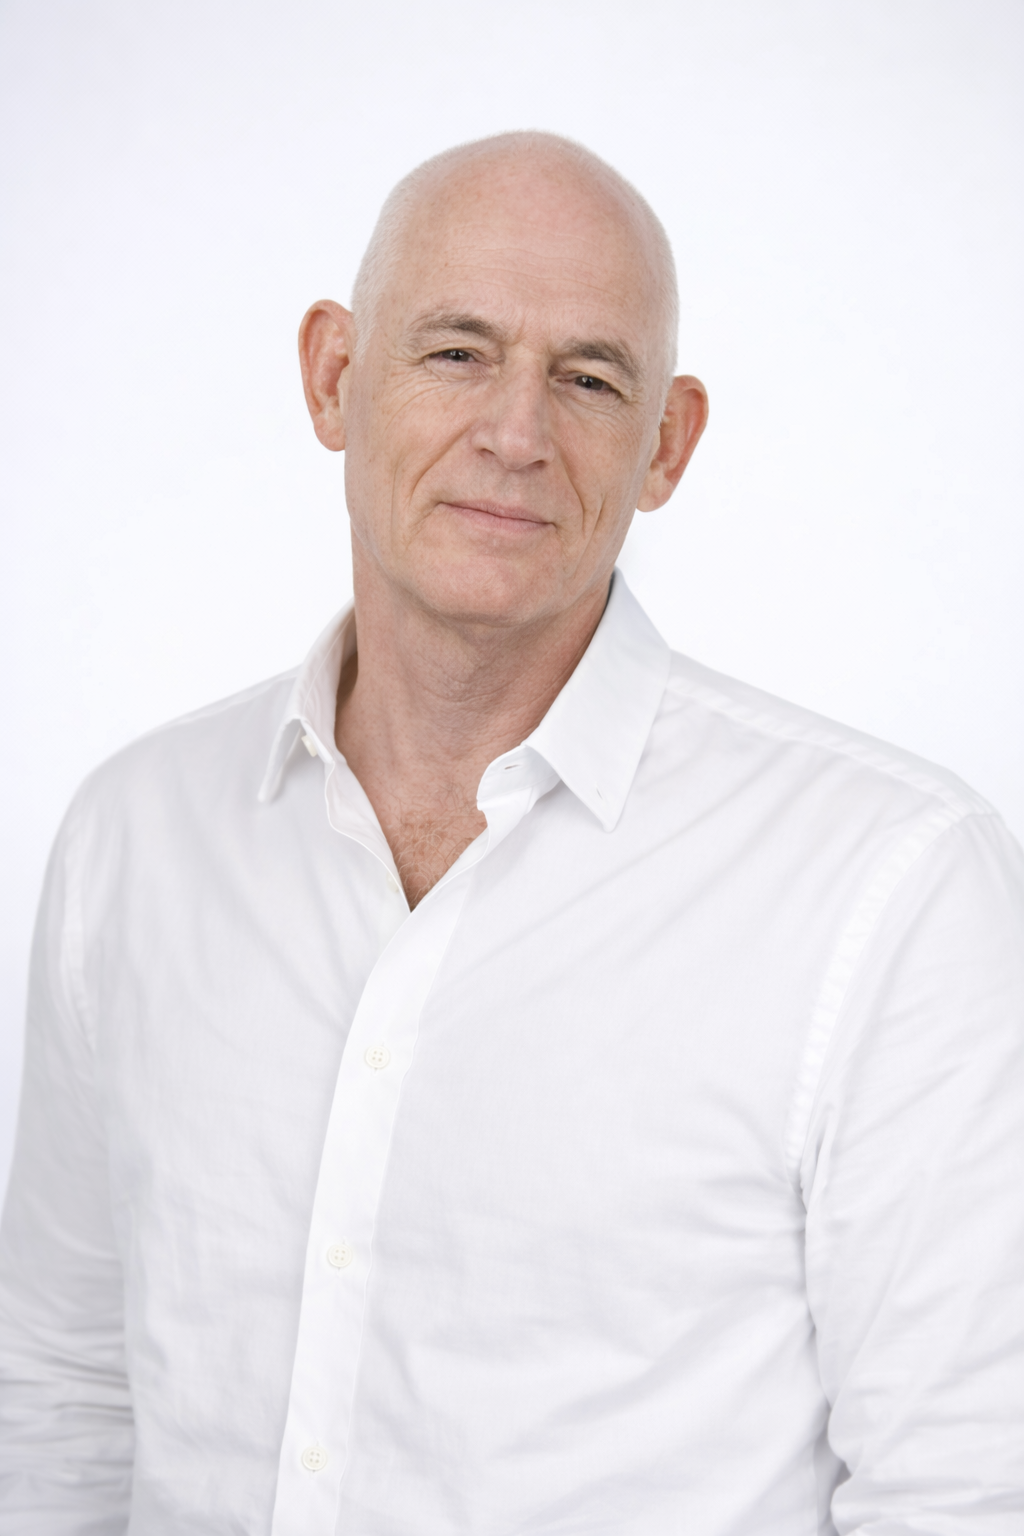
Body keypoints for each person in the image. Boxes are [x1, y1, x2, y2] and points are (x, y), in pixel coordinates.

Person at [0, 130, 1021, 1536]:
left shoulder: (889, 888)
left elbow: (970, 1490)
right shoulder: (137, 838)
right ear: (332, 377)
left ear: (668, 445)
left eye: (589, 378)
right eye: (456, 352)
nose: (517, 435)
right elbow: (60, 1398)